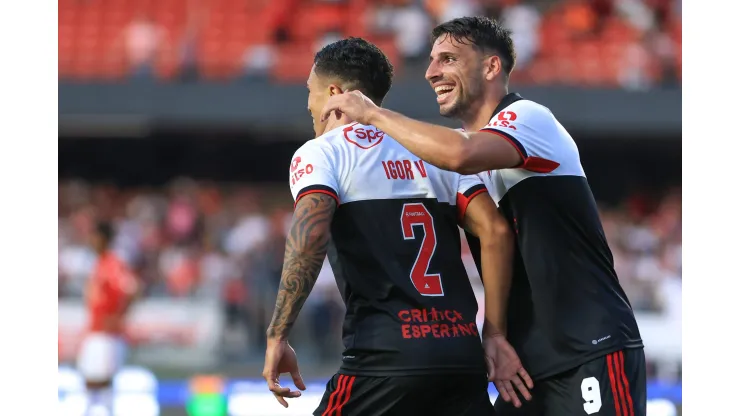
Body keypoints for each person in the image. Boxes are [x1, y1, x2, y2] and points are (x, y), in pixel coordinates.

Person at [319, 17, 646, 416]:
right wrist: (493, 333)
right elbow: (492, 231)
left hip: (588, 347)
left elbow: (461, 155)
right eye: (432, 59)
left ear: (491, 67)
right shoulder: (465, 155)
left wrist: (373, 115)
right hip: (523, 363)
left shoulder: (528, 118)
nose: (431, 70)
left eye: (449, 58)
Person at [261, 37, 525, 415]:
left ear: (334, 94)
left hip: (385, 356)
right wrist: (495, 332)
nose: (309, 104)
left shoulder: (323, 152)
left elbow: (311, 234)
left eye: (311, 92)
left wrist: (278, 334)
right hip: (460, 354)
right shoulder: (434, 149)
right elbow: (497, 233)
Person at [77, 221, 140, 416]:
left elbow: (131, 289)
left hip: (107, 335)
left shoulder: (111, 264)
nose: (90, 241)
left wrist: (118, 317)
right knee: (91, 380)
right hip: (97, 331)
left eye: (94, 237)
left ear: (103, 239)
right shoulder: (100, 263)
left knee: (101, 380)